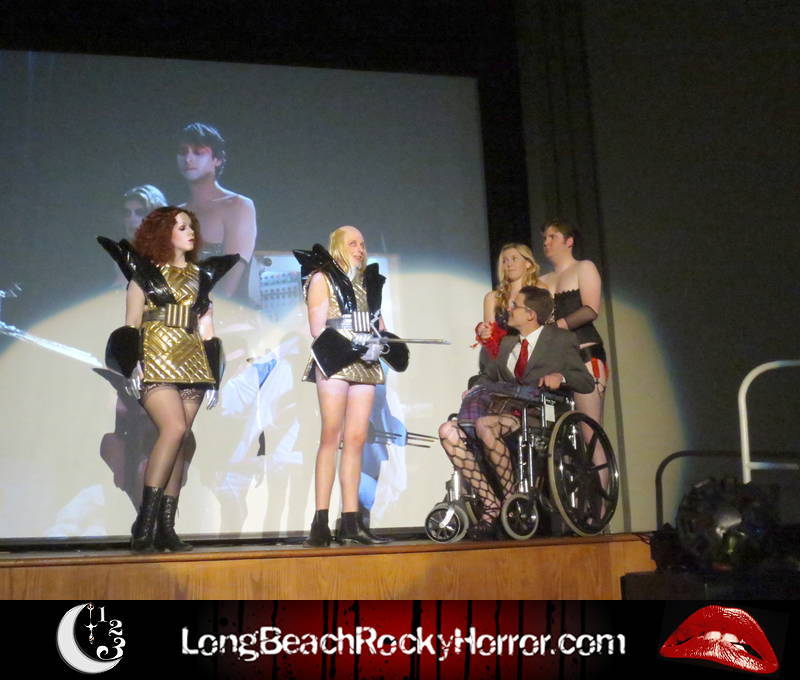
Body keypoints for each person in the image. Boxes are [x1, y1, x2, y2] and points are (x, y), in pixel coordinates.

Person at [98, 207, 239, 552]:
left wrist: (215, 377)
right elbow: (132, 324)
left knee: (182, 439)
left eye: (191, 226)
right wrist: (132, 364)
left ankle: (166, 528)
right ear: (164, 233)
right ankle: (144, 523)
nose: (191, 232)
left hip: (193, 361)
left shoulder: (200, 276)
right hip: (155, 357)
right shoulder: (144, 276)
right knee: (173, 429)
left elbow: (207, 329)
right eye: (182, 227)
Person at [438, 286, 594, 539]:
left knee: (484, 425)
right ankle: (491, 503)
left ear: (531, 314)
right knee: (448, 431)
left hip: (535, 414)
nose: (508, 310)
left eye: (514, 306)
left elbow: (585, 382)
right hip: (500, 408)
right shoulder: (508, 342)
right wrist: (474, 389)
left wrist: (561, 376)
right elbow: (488, 376)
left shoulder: (561, 340)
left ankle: (511, 503)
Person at [293, 226, 408, 547]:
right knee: (332, 435)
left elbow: (380, 325)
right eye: (352, 243)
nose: (360, 248)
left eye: (363, 243)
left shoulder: (369, 283)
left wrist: (380, 344)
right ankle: (320, 521)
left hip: (366, 363)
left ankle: (351, 522)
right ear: (337, 247)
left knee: (357, 439)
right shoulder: (322, 278)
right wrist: (356, 342)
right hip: (334, 358)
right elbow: (317, 328)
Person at [177, 122, 256, 298]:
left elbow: (229, 283)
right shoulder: (174, 213)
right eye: (182, 152)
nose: (188, 159)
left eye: (198, 152)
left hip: (224, 310)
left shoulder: (238, 206)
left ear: (217, 159)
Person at [475, 243, 546, 358]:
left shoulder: (540, 291)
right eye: (505, 261)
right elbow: (490, 339)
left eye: (514, 259)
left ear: (528, 263)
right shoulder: (492, 298)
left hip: (536, 357)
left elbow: (548, 328)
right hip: (504, 359)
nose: (509, 264)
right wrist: (484, 334)